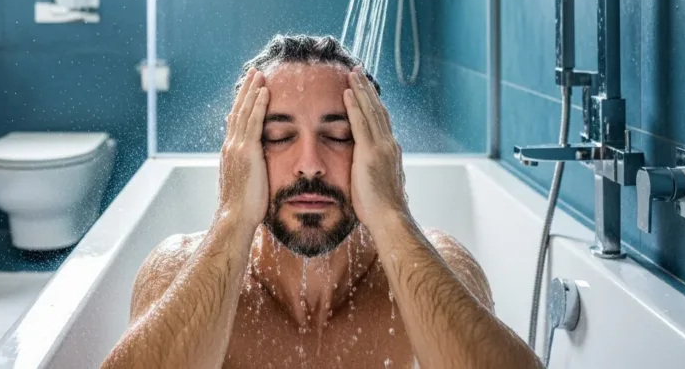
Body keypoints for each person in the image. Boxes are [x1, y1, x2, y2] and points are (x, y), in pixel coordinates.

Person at [101, 35, 542, 369]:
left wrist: (391, 213)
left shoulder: (434, 268)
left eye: (337, 136)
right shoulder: (179, 269)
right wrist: (234, 216)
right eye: (279, 136)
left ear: (375, 148)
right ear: (243, 150)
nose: (309, 164)